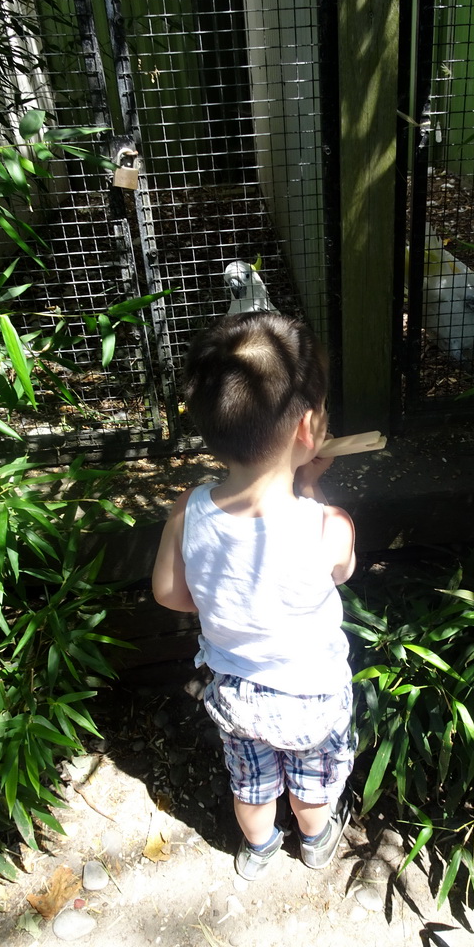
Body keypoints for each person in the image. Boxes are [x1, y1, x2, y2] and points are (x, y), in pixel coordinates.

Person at [152, 311, 357, 881]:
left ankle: (260, 848)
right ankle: (315, 844)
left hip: (238, 694)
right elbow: (336, 574)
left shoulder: (189, 508)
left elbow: (169, 593)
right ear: (308, 428)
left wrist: (217, 600)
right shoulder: (330, 526)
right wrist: (311, 483)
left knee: (252, 783)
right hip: (313, 697)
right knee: (313, 788)